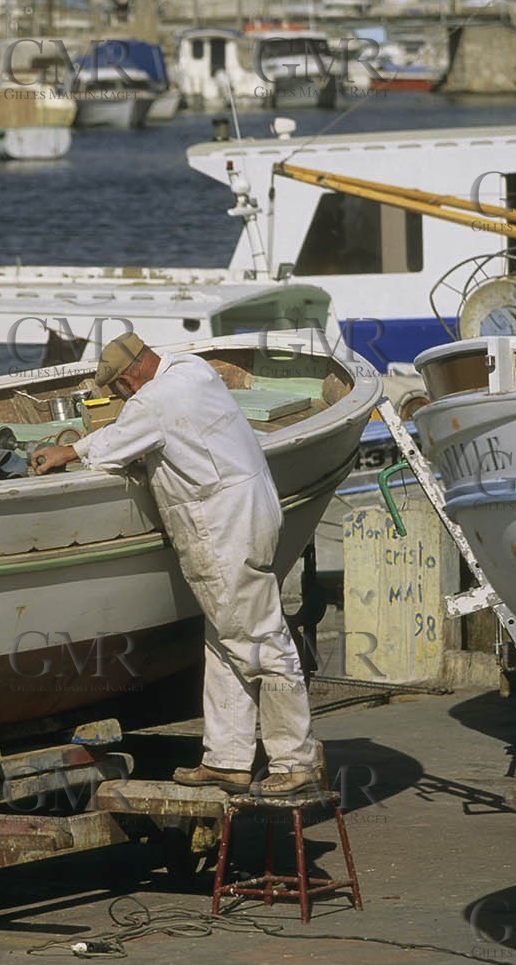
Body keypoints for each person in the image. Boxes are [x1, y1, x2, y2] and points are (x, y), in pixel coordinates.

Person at [30, 331, 318, 797]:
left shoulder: (152, 403)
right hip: (251, 509)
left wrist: (70, 450)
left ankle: (295, 759)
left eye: (121, 391)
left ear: (127, 379)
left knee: (260, 640)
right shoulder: (195, 371)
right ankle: (227, 758)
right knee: (227, 640)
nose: (125, 397)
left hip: (219, 527)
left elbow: (112, 447)